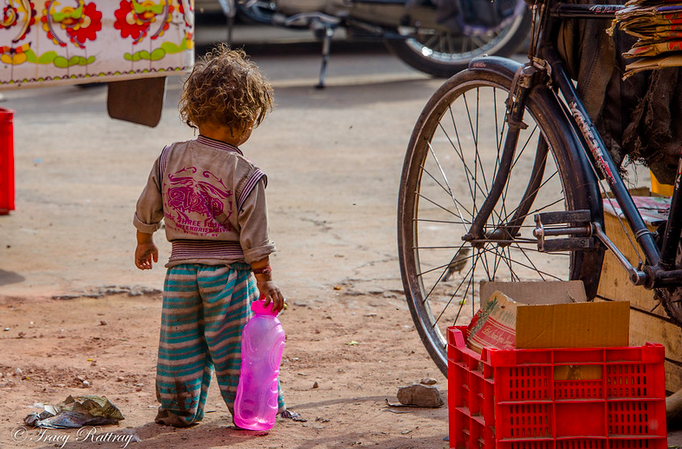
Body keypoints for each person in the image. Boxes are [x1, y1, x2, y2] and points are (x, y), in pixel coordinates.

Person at [132, 43, 293, 428]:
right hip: (228, 276)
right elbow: (255, 235)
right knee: (237, 347)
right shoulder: (245, 172)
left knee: (179, 346)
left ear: (194, 110)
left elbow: (147, 205)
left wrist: (144, 241)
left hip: (181, 272)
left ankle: (177, 408)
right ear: (246, 120)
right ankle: (252, 408)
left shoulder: (169, 156)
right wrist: (264, 279)